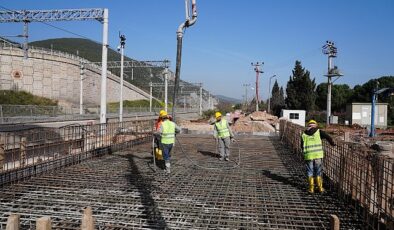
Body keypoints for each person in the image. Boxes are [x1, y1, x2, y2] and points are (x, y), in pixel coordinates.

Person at [301, 120, 336, 193]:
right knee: (318, 171)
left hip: (308, 155)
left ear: (308, 126)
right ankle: (320, 188)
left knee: (310, 171)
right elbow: (328, 137)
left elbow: (302, 146)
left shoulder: (304, 134)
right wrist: (332, 144)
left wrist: (304, 154)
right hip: (318, 155)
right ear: (315, 125)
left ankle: (311, 188)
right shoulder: (318, 132)